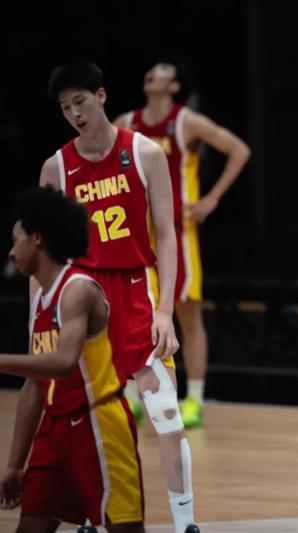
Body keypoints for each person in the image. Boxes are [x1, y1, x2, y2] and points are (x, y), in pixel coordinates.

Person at [39, 61, 198, 533]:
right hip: (83, 297)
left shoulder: (145, 152)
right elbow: (45, 256)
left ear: (102, 96)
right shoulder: (56, 168)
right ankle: (96, 515)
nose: (75, 113)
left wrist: (165, 312)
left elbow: (166, 234)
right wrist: (39, 320)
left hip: (136, 290)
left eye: (80, 102)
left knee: (165, 414)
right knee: (89, 421)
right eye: (65, 107)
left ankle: (186, 522)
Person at [114, 60, 251, 428]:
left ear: (174, 86)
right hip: (137, 234)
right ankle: (133, 394)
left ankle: (195, 397)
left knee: (188, 315)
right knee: (136, 314)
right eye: (151, 68)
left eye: (162, 70)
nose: (152, 72)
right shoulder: (126, 122)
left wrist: (212, 198)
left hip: (178, 232)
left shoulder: (186, 121)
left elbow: (239, 150)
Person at [0, 187, 143, 532]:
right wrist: (14, 465)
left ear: (37, 238)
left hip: (99, 423)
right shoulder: (40, 299)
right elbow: (34, 385)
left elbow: (64, 363)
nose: (11, 251)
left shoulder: (77, 290)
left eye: (16, 240)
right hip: (55, 429)